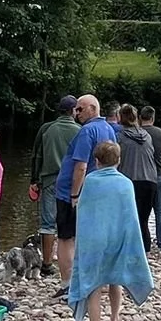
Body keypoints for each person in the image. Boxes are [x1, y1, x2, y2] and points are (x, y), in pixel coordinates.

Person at [68, 140, 154, 321]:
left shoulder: (90, 181)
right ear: (119, 160)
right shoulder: (126, 183)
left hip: (95, 241)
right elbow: (130, 218)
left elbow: (84, 214)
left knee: (94, 286)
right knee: (116, 279)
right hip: (119, 239)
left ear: (96, 161)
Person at [54, 95, 119, 287]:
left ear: (93, 108)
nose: (76, 113)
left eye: (80, 109)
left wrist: (74, 194)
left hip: (71, 193)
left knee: (66, 237)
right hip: (96, 192)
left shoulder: (87, 131)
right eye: (76, 109)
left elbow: (80, 166)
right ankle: (96, 278)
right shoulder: (109, 129)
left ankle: (67, 284)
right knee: (92, 236)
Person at [28, 96, 79, 279]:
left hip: (49, 180)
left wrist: (34, 180)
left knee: (47, 223)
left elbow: (36, 155)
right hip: (72, 182)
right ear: (73, 111)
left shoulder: (46, 128)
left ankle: (47, 264)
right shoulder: (80, 131)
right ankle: (71, 262)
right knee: (69, 224)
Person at [115, 105, 161, 253]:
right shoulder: (146, 136)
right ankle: (145, 251)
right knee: (143, 220)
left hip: (129, 180)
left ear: (120, 118)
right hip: (150, 180)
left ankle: (127, 250)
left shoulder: (120, 137)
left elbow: (116, 160)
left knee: (127, 220)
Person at [138, 106, 161, 254]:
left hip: (142, 175)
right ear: (153, 117)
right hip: (159, 173)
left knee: (140, 211)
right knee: (159, 210)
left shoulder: (138, 133)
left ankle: (141, 240)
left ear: (140, 117)